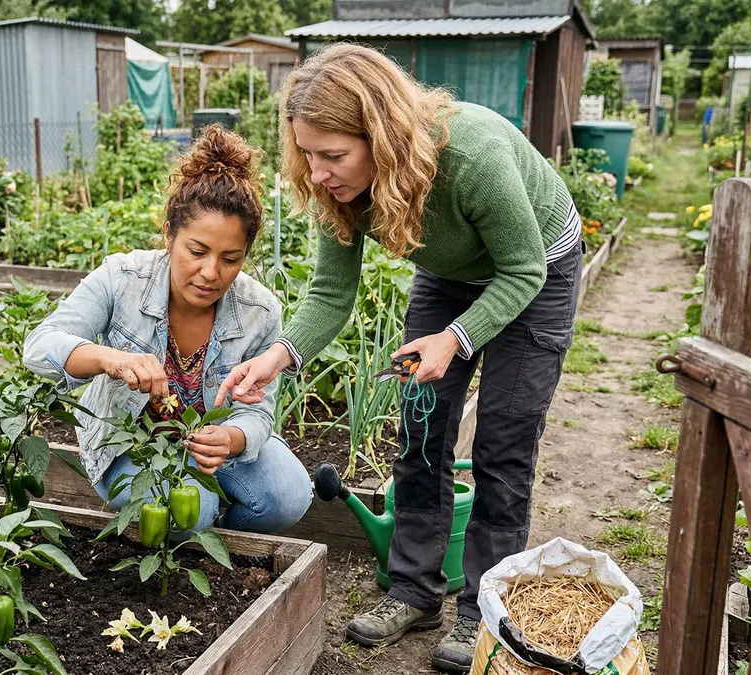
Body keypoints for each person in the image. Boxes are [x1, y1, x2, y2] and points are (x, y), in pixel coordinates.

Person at [215, 44, 583, 673]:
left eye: (333, 155)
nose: (318, 170)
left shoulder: (472, 154)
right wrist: (278, 355)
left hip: (537, 271)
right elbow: (332, 292)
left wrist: (457, 339)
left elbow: (521, 269)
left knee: (502, 445)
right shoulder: (337, 190)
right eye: (307, 153)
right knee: (420, 430)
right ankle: (414, 589)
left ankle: (484, 612)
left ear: (382, 138)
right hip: (450, 275)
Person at [24, 125, 312, 534]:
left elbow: (258, 412)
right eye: (196, 251)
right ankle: (195, 526)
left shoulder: (259, 311)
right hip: (130, 446)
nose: (210, 272)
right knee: (191, 506)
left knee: (288, 494)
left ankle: (213, 541)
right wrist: (112, 359)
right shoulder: (122, 278)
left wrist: (231, 438)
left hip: (207, 447)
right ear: (169, 235)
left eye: (230, 259)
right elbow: (40, 347)